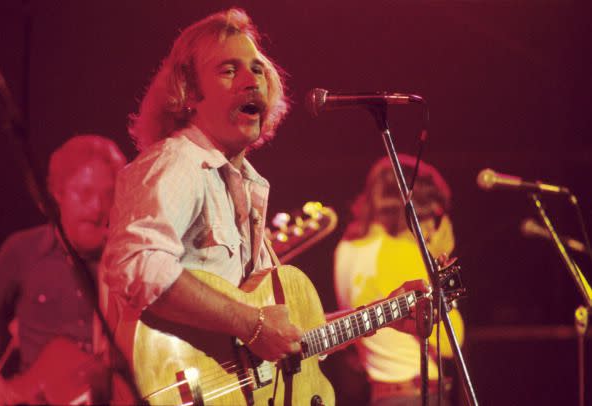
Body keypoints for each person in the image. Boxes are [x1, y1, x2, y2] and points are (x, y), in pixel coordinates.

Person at [101, 8, 428, 405]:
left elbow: (283, 338)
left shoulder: (244, 184)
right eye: (228, 70)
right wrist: (252, 324)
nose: (251, 80)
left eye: (257, 69)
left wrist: (385, 312)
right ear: (188, 91)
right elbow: (137, 264)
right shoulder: (177, 163)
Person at [0, 134, 127, 405]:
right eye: (85, 193)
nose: (97, 208)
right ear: (58, 193)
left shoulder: (124, 261)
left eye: (108, 195)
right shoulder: (22, 251)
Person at [334, 155, 465, 406]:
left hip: (382, 394)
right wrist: (437, 268)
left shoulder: (346, 249)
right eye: (434, 216)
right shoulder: (401, 252)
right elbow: (452, 340)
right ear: (419, 210)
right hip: (417, 394)